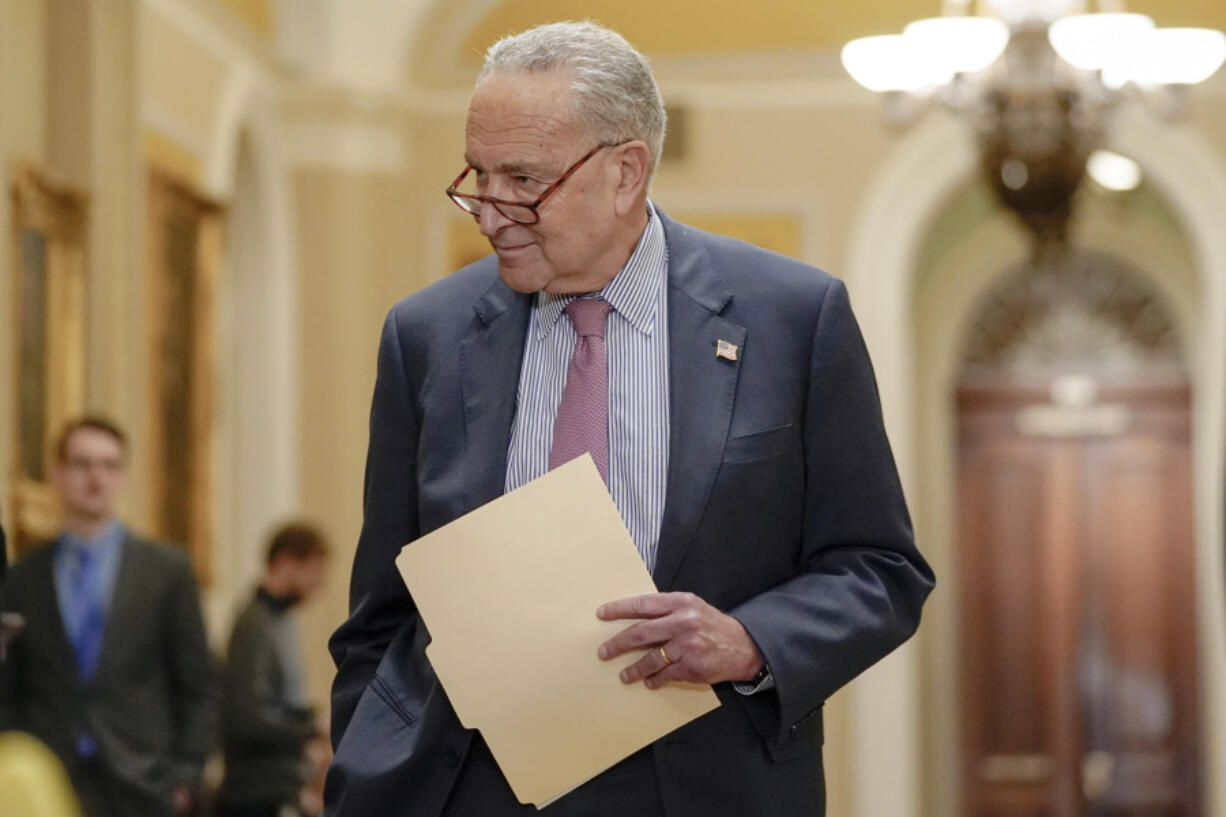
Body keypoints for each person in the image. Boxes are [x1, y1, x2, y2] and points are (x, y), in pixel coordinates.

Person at [324, 21, 934, 817]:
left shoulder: (792, 319)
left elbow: (880, 569)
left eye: (524, 180)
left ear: (625, 172)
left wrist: (749, 641)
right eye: (478, 173)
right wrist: (364, 771)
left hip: (709, 784)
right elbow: (380, 613)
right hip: (468, 787)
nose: (490, 209)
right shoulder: (426, 336)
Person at [0, 416, 216, 817]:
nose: (96, 477)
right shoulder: (23, 577)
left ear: (123, 478)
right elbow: (10, 686)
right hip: (50, 782)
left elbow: (198, 685)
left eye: (110, 465)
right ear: (58, 474)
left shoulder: (165, 571)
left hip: (144, 783)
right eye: (83, 465)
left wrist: (185, 775)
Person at [220, 522, 330, 817]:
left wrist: (313, 718)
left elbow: (280, 705)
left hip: (278, 785)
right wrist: (313, 729)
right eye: (314, 570)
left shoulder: (280, 621)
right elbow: (248, 718)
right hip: (256, 793)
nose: (319, 583)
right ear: (285, 562)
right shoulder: (254, 623)